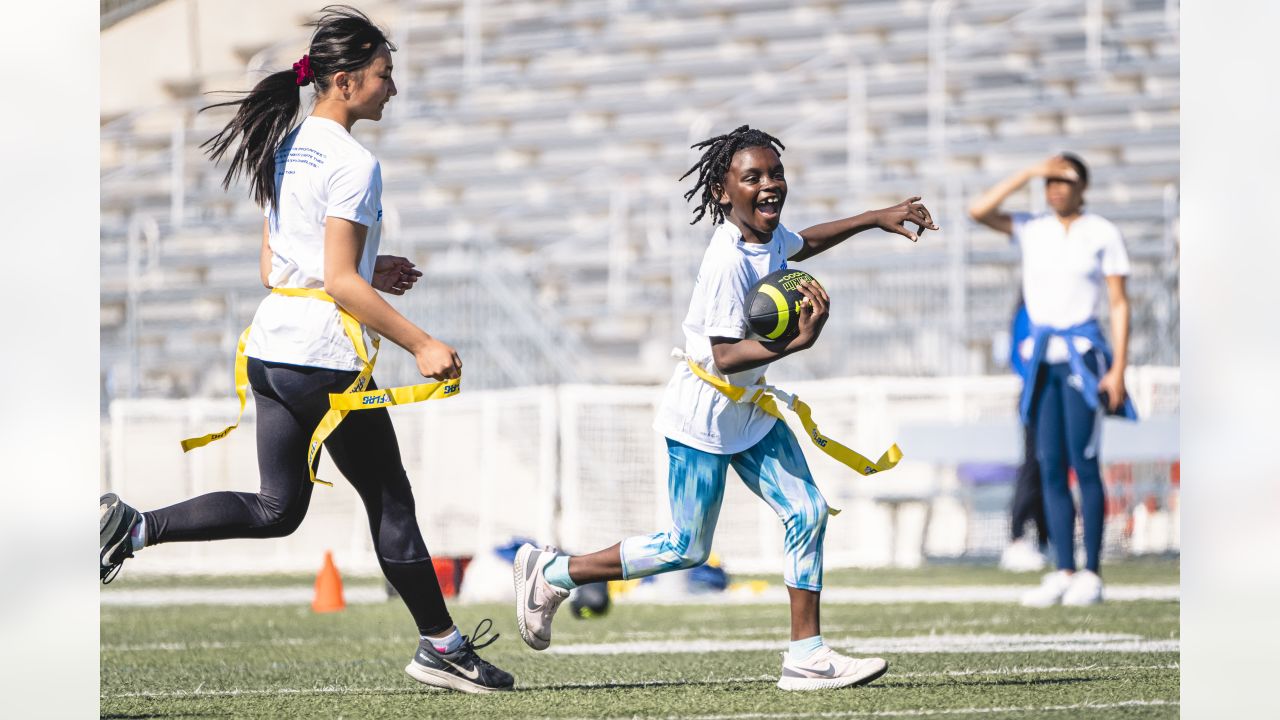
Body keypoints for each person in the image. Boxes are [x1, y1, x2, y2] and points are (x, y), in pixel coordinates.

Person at [97, 6, 513, 694]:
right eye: (386, 75)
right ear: (345, 82)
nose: (394, 89)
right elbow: (340, 280)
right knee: (392, 506)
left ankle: (133, 527)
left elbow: (277, 268)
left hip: (270, 348)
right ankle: (442, 646)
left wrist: (368, 270)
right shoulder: (354, 162)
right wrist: (422, 342)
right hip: (322, 358)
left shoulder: (287, 144)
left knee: (277, 509)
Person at [512, 125, 937, 690]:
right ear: (721, 190)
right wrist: (795, 344)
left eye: (776, 173)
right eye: (752, 177)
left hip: (751, 412)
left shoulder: (765, 239)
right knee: (686, 548)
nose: (769, 185)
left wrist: (872, 217)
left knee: (806, 511)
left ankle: (806, 656)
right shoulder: (725, 260)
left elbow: (799, 243)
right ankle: (555, 571)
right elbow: (724, 356)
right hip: (704, 415)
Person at [969, 153, 1135, 607]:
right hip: (1041, 362)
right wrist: (1026, 170)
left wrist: (1118, 367)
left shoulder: (1101, 232)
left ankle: (1092, 572)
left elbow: (1119, 303)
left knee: (1085, 464)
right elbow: (977, 211)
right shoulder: (1032, 228)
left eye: (1066, 181)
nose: (1056, 188)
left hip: (1082, 360)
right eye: (1050, 182)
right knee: (1048, 465)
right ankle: (1063, 568)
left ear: (1084, 186)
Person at [999, 298, 1050, 572]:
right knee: (1032, 466)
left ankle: (1046, 538)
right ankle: (1017, 536)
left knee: (1049, 468)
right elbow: (1021, 358)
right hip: (1036, 397)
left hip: (1053, 394)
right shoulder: (1027, 313)